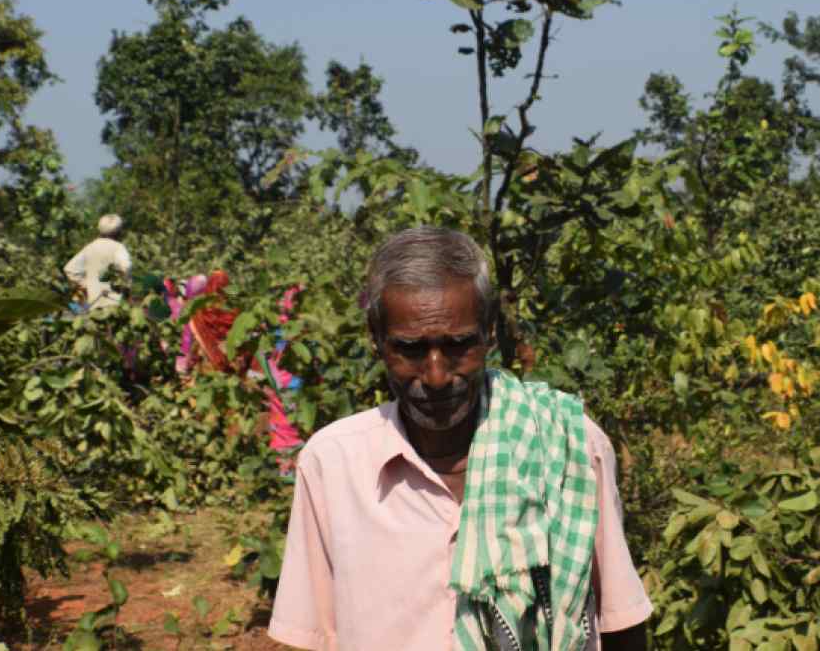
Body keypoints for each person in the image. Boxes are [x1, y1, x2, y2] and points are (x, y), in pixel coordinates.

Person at [269, 227, 651, 650]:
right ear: (376, 340)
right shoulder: (333, 464)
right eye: (411, 349)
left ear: (489, 333)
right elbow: (311, 637)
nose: (435, 375)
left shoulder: (568, 446)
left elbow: (622, 622)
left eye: (459, 346)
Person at [63, 214, 132, 311]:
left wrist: (87, 284)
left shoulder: (90, 247)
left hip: (93, 301)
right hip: (114, 302)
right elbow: (125, 267)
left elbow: (70, 269)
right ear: (118, 232)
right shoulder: (118, 247)